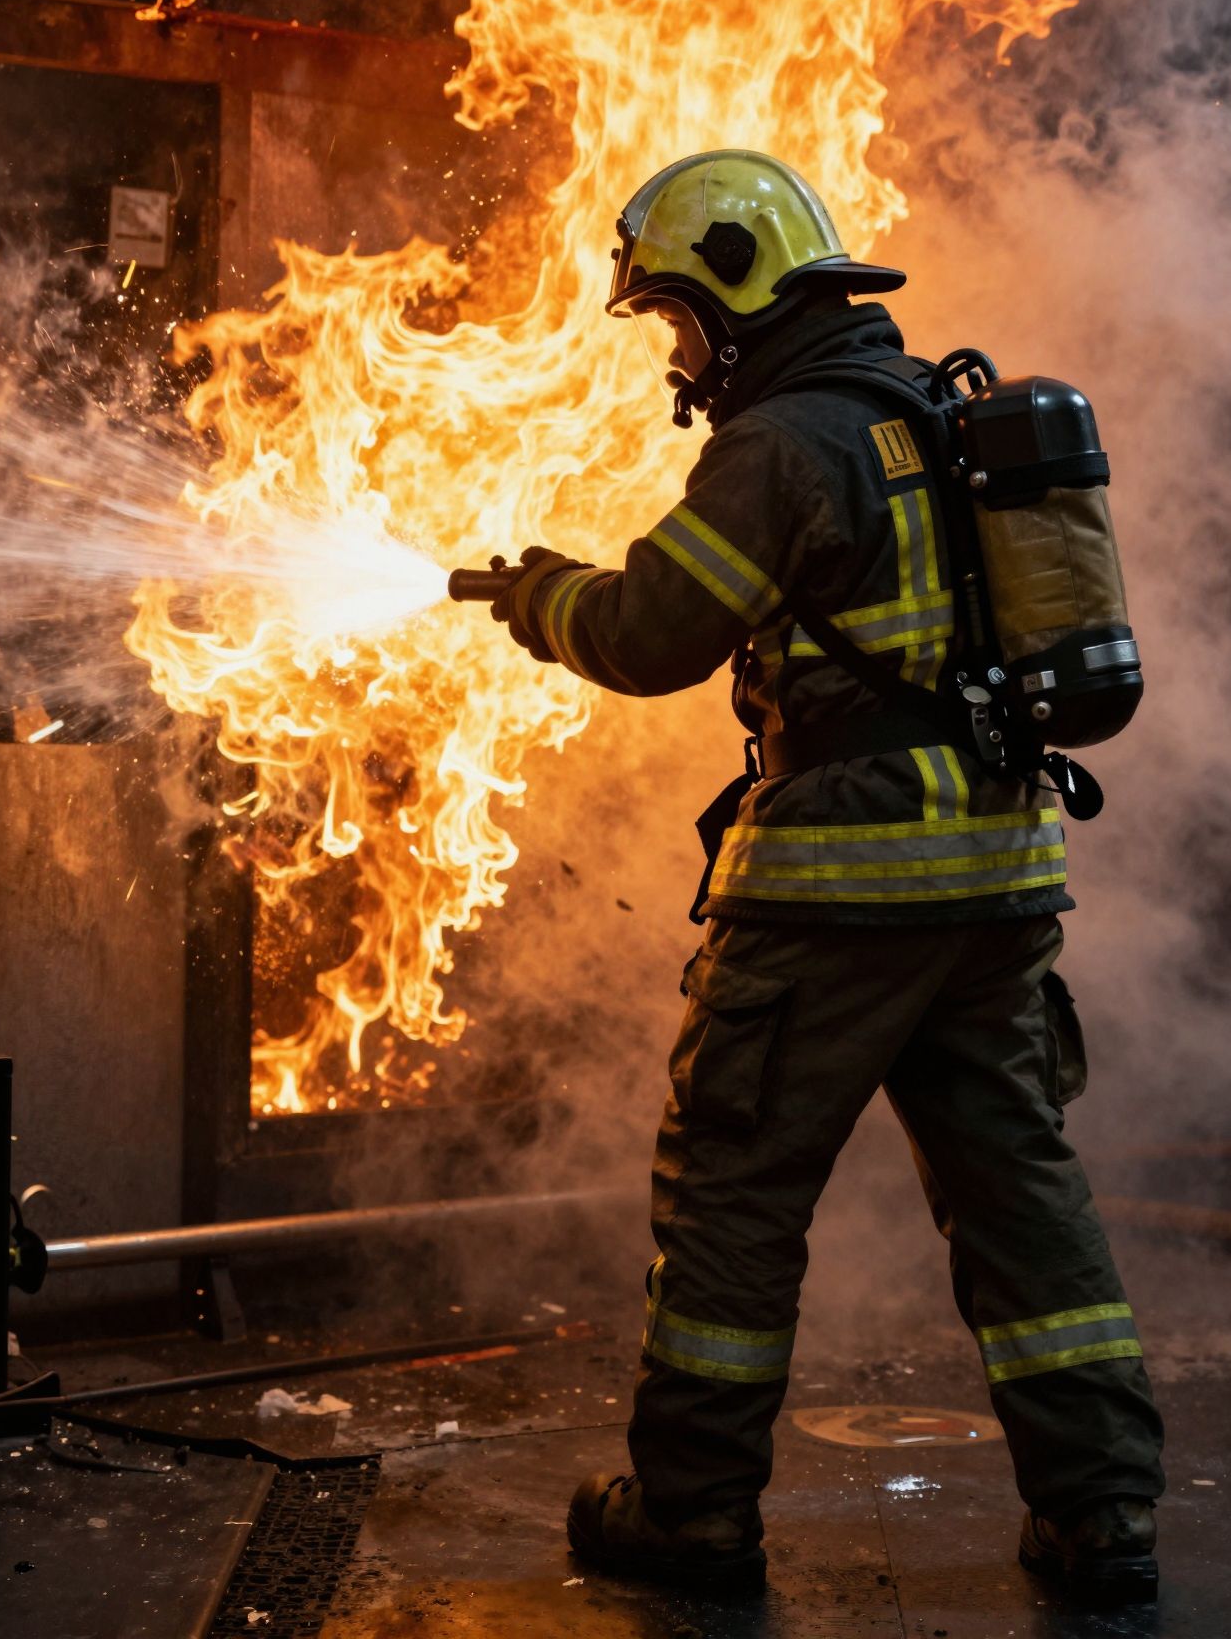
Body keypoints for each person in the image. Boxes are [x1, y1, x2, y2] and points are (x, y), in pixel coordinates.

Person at [491, 150, 1164, 1602]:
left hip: (842, 892)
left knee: (734, 1191)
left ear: (735, 290)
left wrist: (538, 596)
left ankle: (692, 1514)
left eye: (677, 320)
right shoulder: (930, 410)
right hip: (997, 878)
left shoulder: (787, 443)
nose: (676, 355)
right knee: (1020, 1194)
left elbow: (653, 634)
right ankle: (1104, 1512)